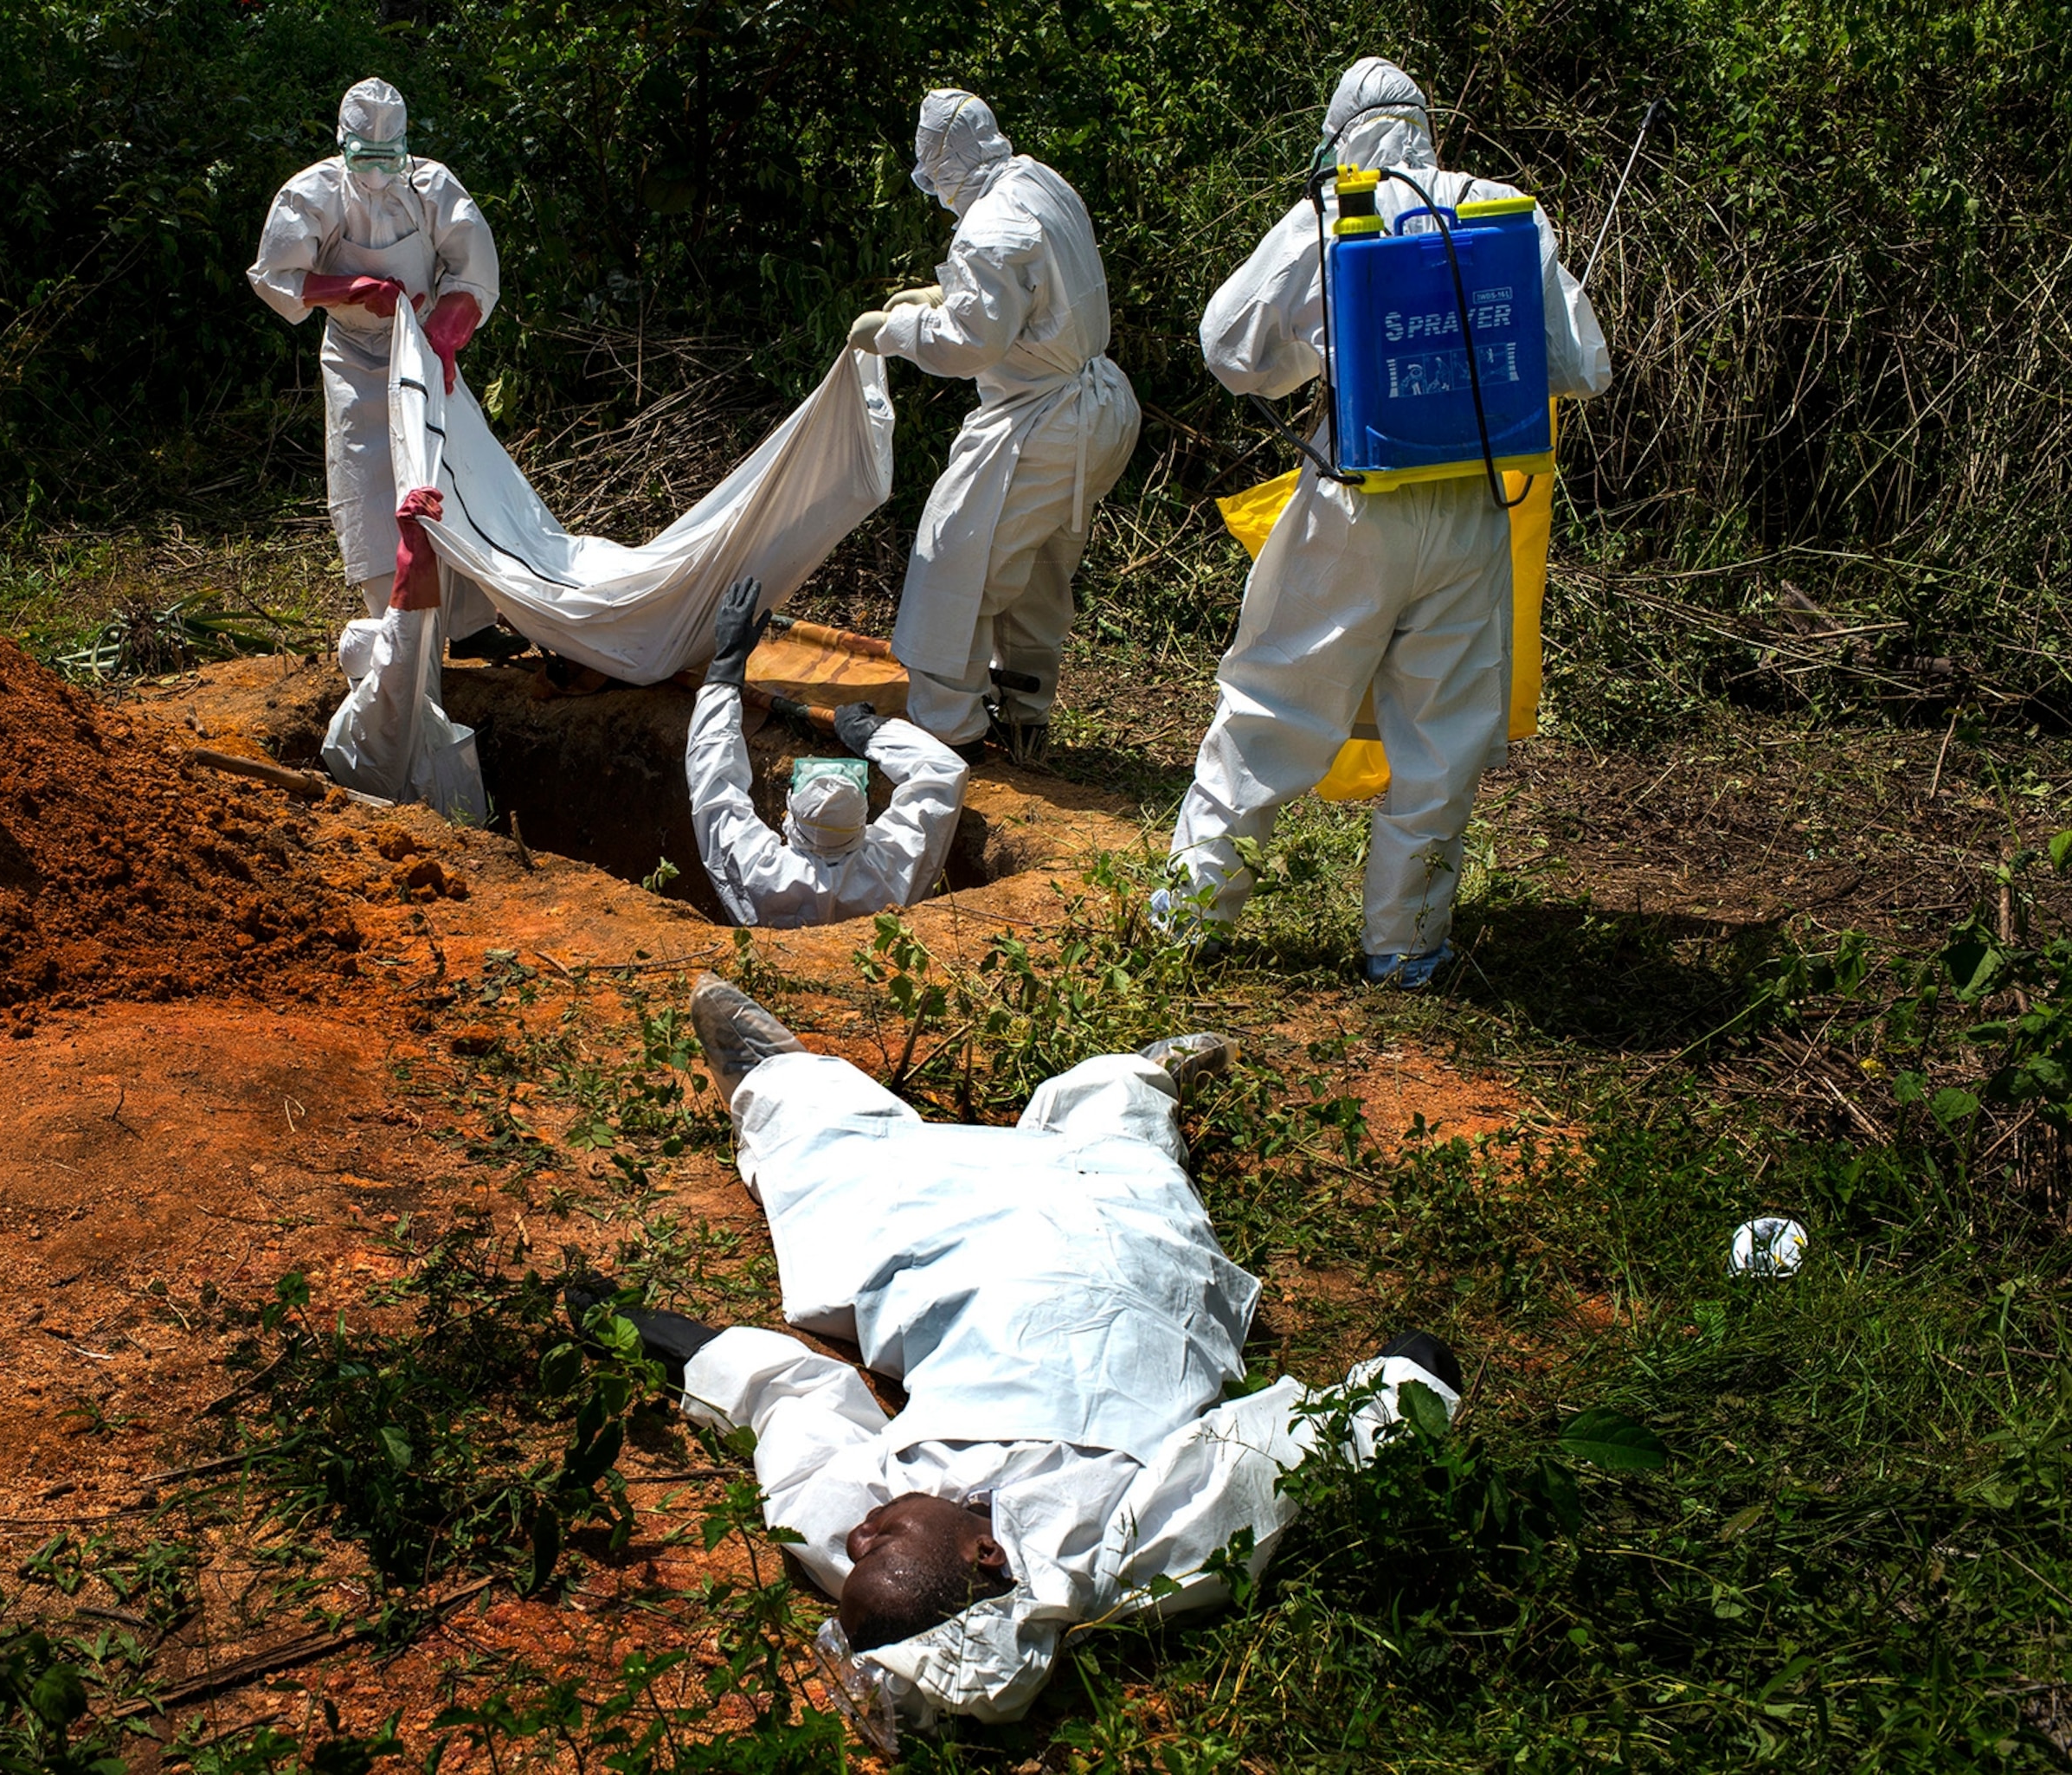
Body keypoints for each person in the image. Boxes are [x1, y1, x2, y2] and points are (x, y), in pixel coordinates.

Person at [632, 973, 1462, 1732]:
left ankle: (779, 1078)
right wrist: (1403, 1382)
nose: (855, 1539)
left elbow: (790, 1405)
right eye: (880, 1545)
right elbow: (1275, 1465)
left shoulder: (866, 1536)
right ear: (984, 1555)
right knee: (1121, 1163)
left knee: (848, 1191)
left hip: (958, 1280)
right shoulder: (1131, 1550)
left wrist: (654, 1333)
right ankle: (1140, 1081)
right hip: (1127, 1276)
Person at [1163, 57, 1612, 987]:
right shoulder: (1508, 213)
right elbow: (1580, 366)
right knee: (1441, 739)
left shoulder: (1338, 213)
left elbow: (1228, 347)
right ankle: (1405, 950)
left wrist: (1312, 344)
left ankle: (1190, 921)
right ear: (1425, 126)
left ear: (1342, 136)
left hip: (1357, 501)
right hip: (1476, 504)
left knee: (1271, 707)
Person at [847, 91, 1140, 766]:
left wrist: (898, 331)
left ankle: (949, 729)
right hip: (1096, 406)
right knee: (1036, 568)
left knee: (954, 556)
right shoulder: (1038, 180)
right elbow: (1032, 295)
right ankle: (1025, 714)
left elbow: (973, 341)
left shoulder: (987, 225)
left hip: (1044, 420)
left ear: (943, 163)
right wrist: (941, 293)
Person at [248, 78, 502, 642]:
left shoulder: (432, 186)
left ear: (406, 146)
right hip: (354, 356)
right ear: (344, 146)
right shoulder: (312, 196)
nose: (380, 171)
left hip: (425, 353)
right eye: (367, 157)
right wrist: (353, 289)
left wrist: (446, 328)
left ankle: (471, 624)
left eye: (391, 157)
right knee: (368, 483)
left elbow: (472, 268)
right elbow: (277, 275)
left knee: (452, 473)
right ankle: (398, 629)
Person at [686, 577, 968, 928]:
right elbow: (942, 771)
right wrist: (869, 732)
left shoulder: (762, 872)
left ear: (789, 812)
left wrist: (726, 664)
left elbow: (712, 781)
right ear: (866, 818)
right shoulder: (891, 869)